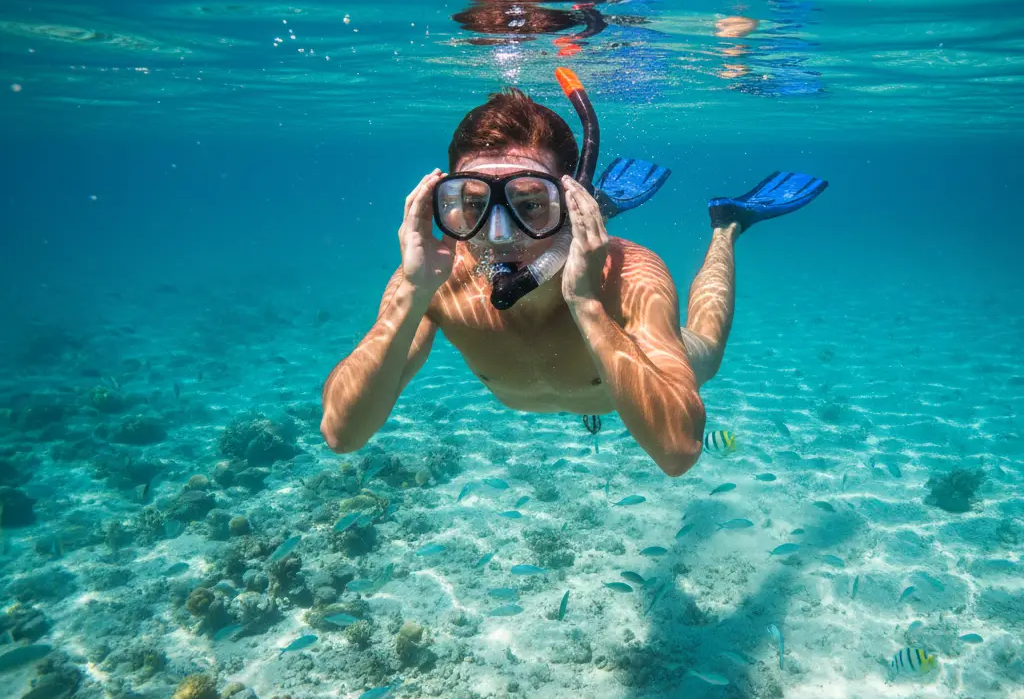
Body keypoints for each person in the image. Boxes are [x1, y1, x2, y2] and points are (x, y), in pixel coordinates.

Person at [320, 75, 824, 476]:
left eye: (531, 205)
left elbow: (678, 452)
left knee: (707, 354)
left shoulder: (627, 276)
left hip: (618, 322)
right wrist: (411, 294)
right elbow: (342, 433)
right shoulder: (433, 276)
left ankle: (728, 224)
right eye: (471, 205)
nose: (497, 236)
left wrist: (586, 303)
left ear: (565, 201)